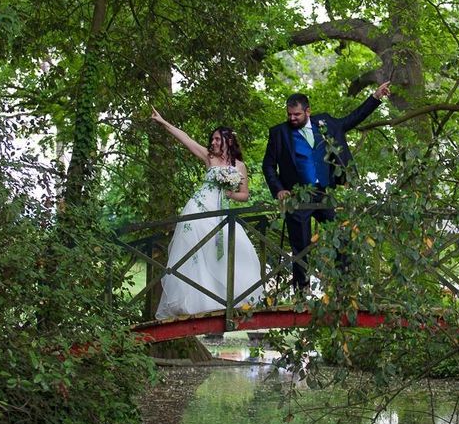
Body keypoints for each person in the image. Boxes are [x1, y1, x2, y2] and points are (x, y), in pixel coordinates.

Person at [262, 82, 391, 291]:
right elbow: (268, 165)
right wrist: (278, 189)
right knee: (301, 246)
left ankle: (343, 286)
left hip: (325, 194)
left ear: (308, 111)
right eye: (289, 114)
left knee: (342, 233)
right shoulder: (279, 133)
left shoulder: (326, 123)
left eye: (296, 114)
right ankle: (302, 292)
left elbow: (352, 119)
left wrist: (375, 97)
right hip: (297, 196)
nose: (292, 118)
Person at [151, 108, 263, 319]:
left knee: (236, 248)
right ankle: (195, 303)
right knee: (194, 252)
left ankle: (230, 298)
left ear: (228, 141)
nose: (213, 142)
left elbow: (245, 195)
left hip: (221, 214)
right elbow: (186, 139)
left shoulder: (240, 166)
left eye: (217, 139)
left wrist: (230, 193)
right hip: (199, 208)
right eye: (212, 139)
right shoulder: (209, 158)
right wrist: (163, 122)